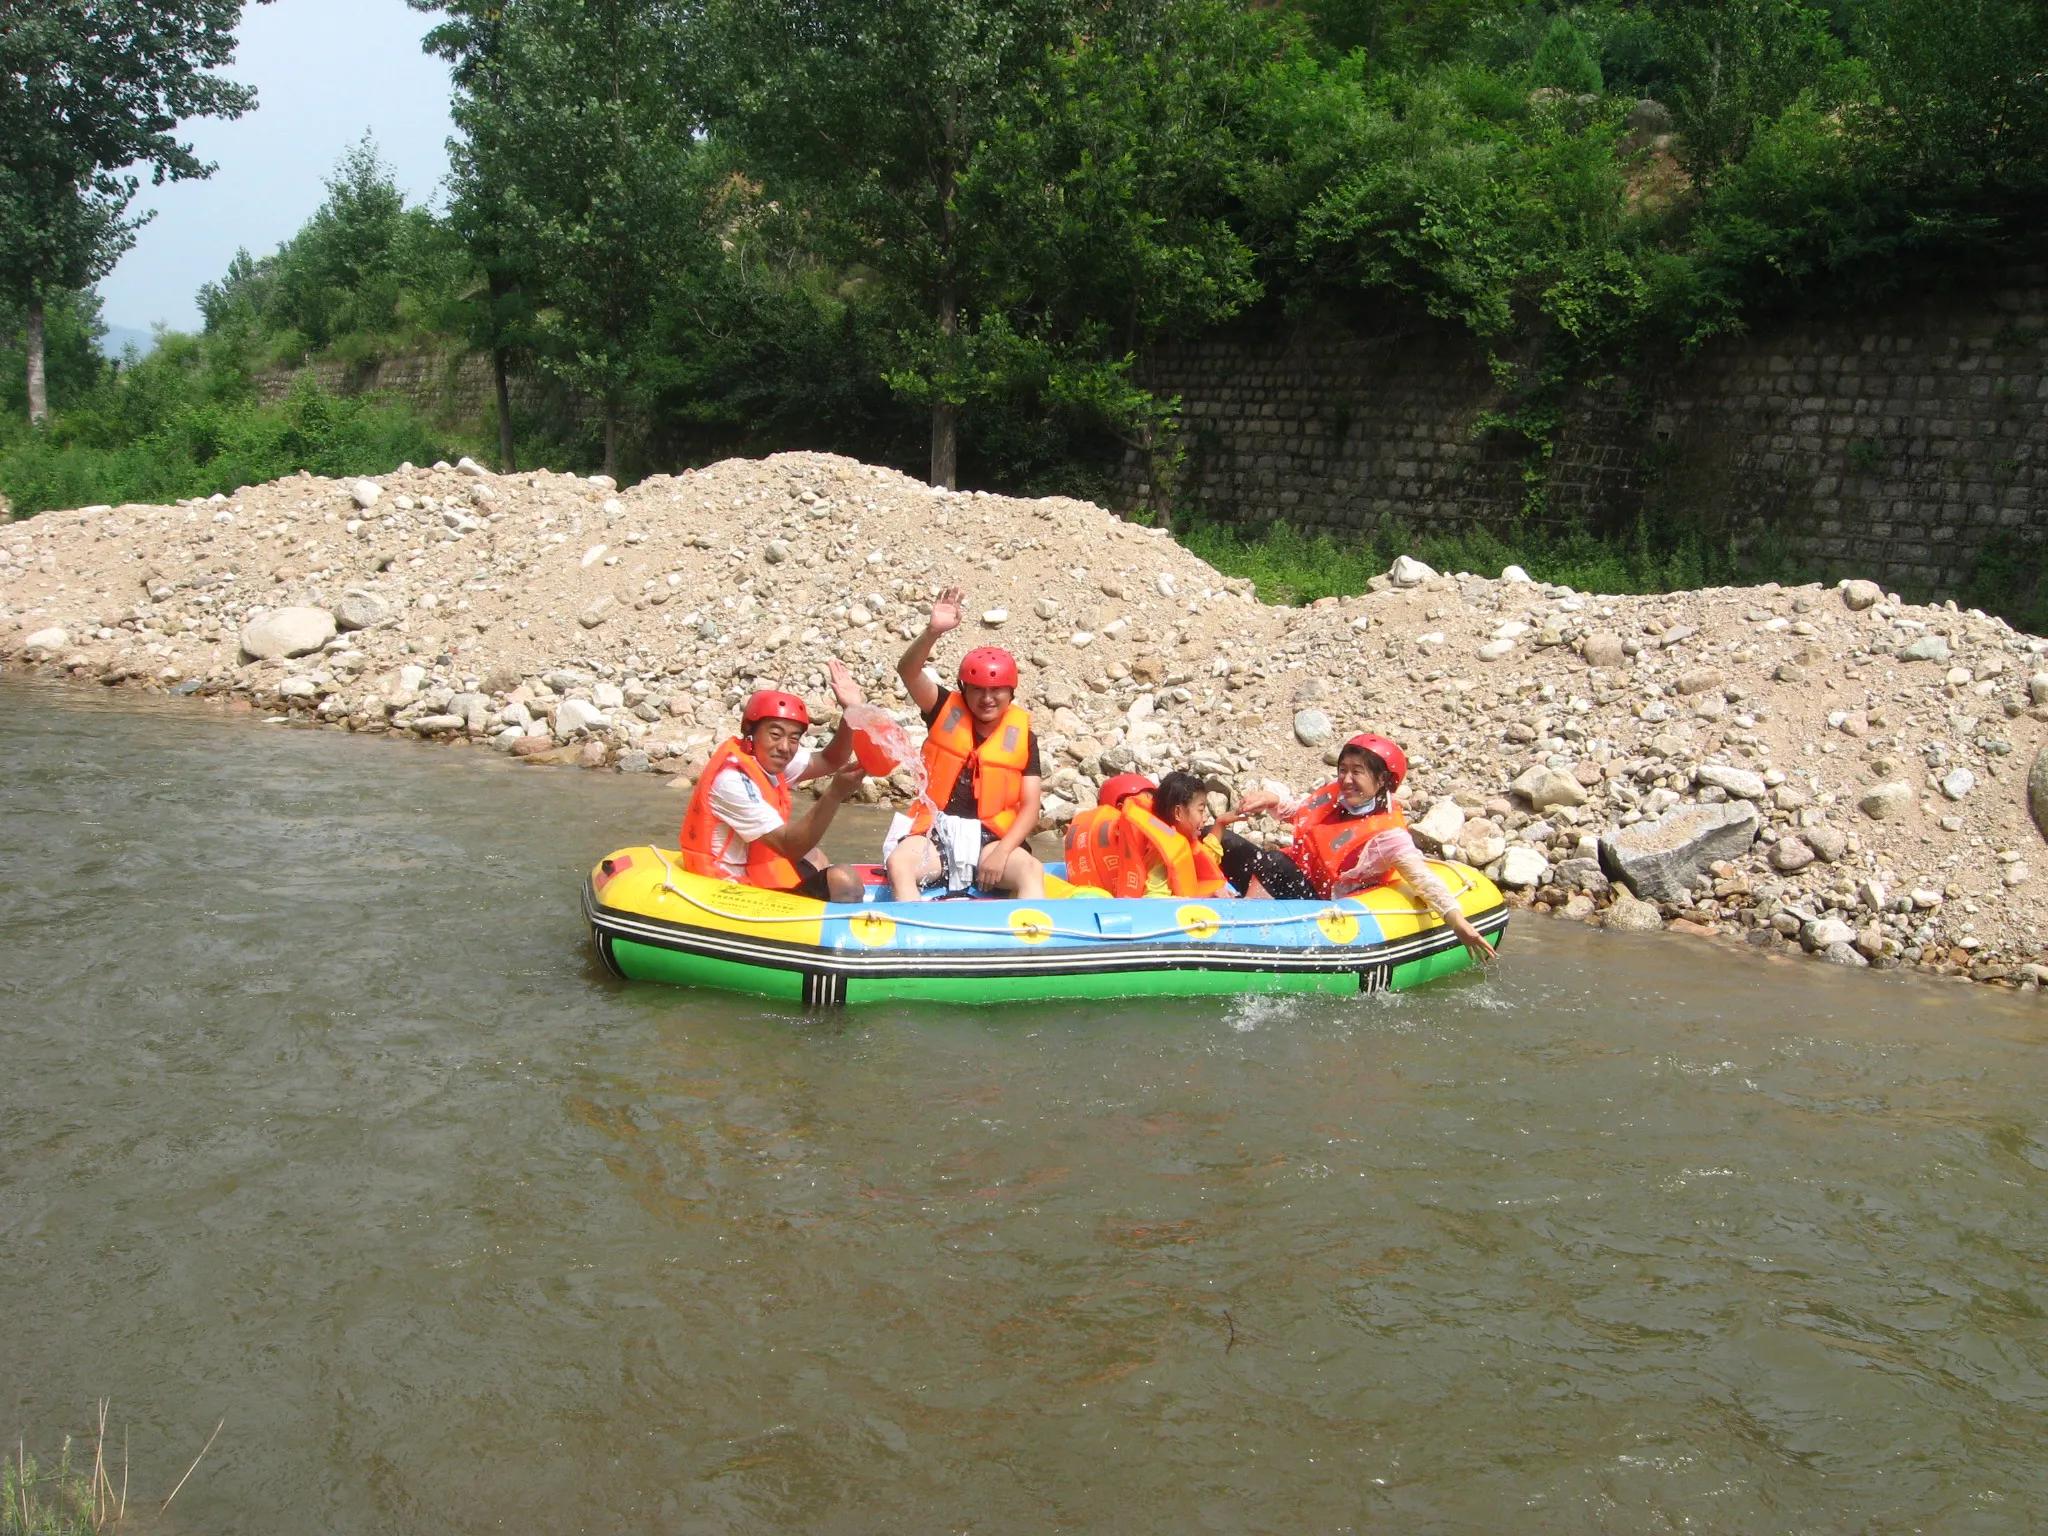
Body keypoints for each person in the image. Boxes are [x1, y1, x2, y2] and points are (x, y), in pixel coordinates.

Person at [1223, 733, 1495, 963]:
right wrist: (1272, 800)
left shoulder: (1389, 836)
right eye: (1343, 770)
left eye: (1357, 772)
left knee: (1272, 861)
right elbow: (1303, 813)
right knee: (1225, 842)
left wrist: (1458, 923)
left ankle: (1240, 920)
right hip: (1295, 880)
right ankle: (1205, 900)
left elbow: (1422, 879)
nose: (1346, 779)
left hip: (1322, 907)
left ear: (1382, 781)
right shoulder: (1339, 799)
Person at [883, 586, 1046, 901]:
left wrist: (1004, 852)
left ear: (1011, 692)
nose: (987, 699)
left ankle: (1028, 944)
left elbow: (1029, 808)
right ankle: (913, 937)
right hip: (936, 833)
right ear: (963, 689)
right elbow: (907, 671)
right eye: (977, 690)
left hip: (992, 840)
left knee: (1030, 870)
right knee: (900, 863)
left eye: (996, 690)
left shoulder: (1023, 737)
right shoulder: (942, 708)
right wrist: (933, 632)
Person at [677, 661, 868, 902]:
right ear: (751, 732)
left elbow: (832, 759)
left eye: (794, 738)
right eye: (775, 734)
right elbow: (790, 846)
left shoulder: (768, 759)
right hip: (727, 889)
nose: (785, 747)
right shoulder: (732, 781)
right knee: (844, 878)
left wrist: (852, 712)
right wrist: (834, 794)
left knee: (815, 856)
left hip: (755, 872)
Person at [1066, 770, 1229, 899]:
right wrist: (1207, 896)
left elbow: (1200, 861)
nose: (1206, 816)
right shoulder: (1160, 852)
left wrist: (1220, 824)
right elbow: (1153, 900)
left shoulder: (1171, 838)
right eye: (1201, 810)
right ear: (1178, 812)